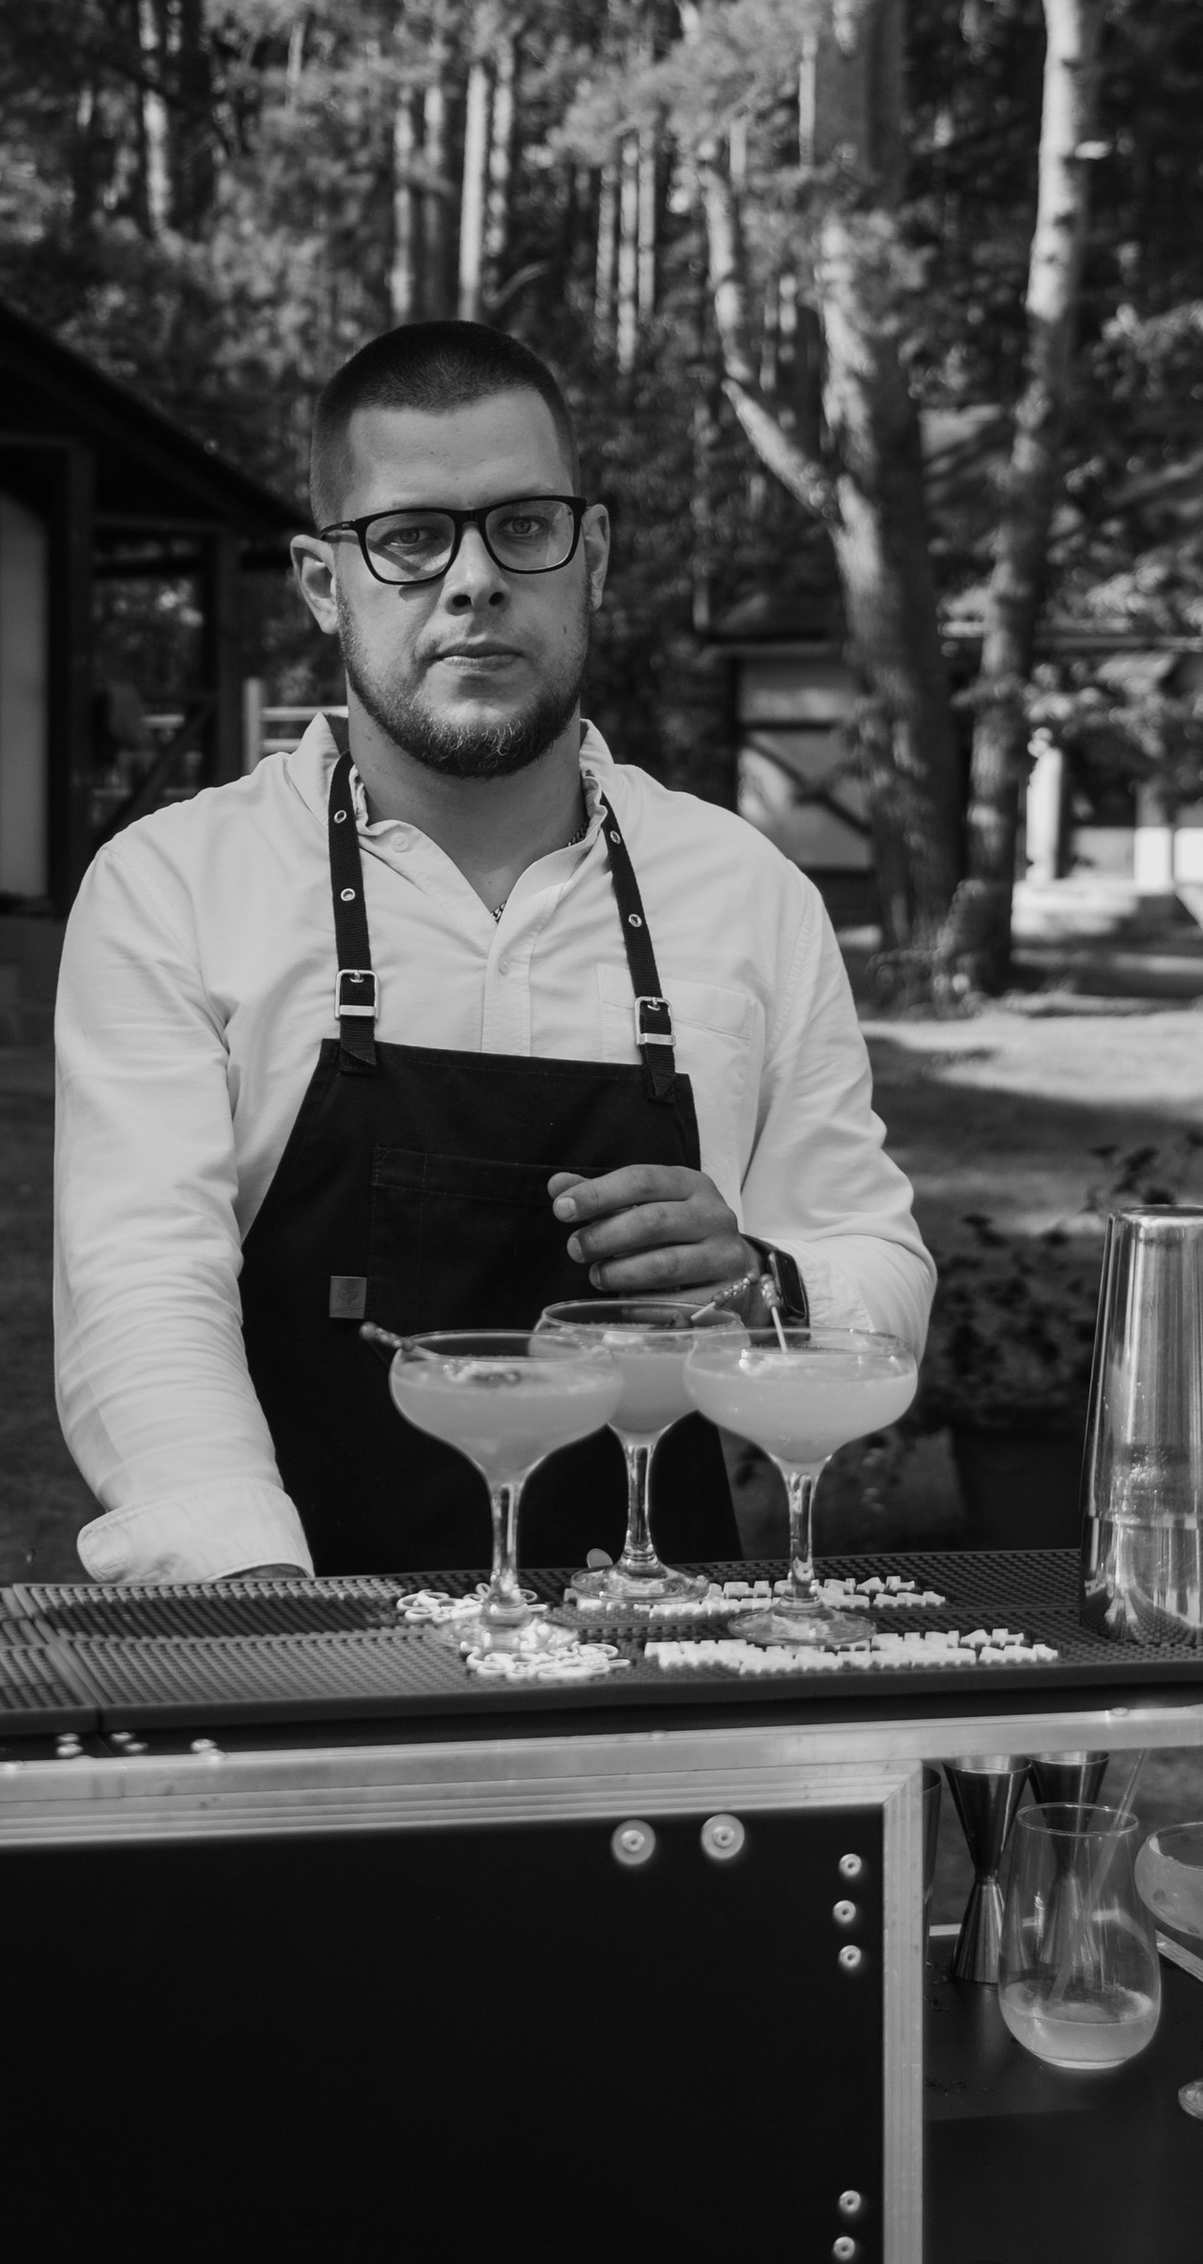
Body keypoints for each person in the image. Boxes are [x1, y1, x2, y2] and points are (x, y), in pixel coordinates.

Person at [52, 319, 933, 1583]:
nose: (472, 580)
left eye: (522, 524)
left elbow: (879, 1262)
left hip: (662, 1656)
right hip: (300, 1643)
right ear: (320, 581)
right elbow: (139, 1296)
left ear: (593, 554)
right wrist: (256, 1608)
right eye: (410, 538)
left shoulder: (743, 893)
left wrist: (761, 1281)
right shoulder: (175, 888)